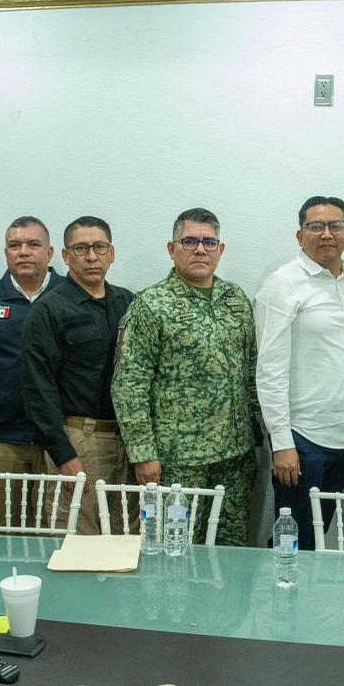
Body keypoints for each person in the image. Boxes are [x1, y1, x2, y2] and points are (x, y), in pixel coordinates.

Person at [112, 208, 258, 545]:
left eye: (209, 242)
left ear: (220, 250)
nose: (200, 250)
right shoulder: (151, 304)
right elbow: (129, 384)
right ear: (172, 248)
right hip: (177, 461)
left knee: (230, 550)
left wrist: (263, 433)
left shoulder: (235, 299)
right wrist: (143, 453)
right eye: (190, 241)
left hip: (236, 457)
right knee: (173, 549)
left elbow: (252, 370)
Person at [255, 196, 344, 550]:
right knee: (292, 544)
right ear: (299, 235)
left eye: (335, 225)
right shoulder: (283, 284)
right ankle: (279, 589)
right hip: (302, 440)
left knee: (316, 540)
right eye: (316, 226)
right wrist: (282, 443)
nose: (326, 234)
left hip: (343, 439)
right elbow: (269, 369)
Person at [21, 216, 133, 534]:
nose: (92, 256)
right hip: (79, 441)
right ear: (66, 256)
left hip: (127, 443)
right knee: (78, 540)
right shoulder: (49, 310)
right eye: (81, 248)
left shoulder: (128, 302)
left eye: (100, 247)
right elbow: (37, 388)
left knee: (126, 537)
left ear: (112, 253)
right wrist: (63, 455)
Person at [0, 216, 63, 523]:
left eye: (33, 244)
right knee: (1, 531)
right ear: (6, 253)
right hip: (0, 436)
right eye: (15, 245)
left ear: (50, 252)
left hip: (60, 438)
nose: (24, 252)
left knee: (56, 530)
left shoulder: (69, 294)